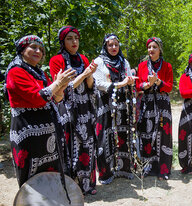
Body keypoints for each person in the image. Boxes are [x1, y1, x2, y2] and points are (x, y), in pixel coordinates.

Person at [5, 35, 75, 186]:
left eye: (41, 50)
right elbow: (38, 98)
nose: (38, 51)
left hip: (48, 135)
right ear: (22, 50)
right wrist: (57, 83)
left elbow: (55, 99)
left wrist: (61, 87)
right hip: (29, 135)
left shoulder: (40, 73)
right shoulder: (15, 72)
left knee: (51, 172)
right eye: (33, 47)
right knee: (32, 173)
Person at [49, 26, 98, 195]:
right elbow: (62, 88)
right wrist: (84, 74)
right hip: (68, 108)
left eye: (76, 38)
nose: (74, 42)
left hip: (85, 108)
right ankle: (73, 187)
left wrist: (90, 74)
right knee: (71, 146)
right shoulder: (56, 61)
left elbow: (91, 87)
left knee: (88, 145)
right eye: (69, 38)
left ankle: (88, 184)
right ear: (63, 41)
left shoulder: (83, 58)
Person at [93, 33, 136, 184]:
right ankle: (106, 172)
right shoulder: (98, 62)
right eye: (110, 45)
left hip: (123, 104)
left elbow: (129, 78)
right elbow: (97, 83)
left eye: (116, 45)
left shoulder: (124, 62)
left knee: (123, 134)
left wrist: (130, 82)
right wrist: (120, 84)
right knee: (105, 136)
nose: (113, 47)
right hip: (105, 104)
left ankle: (124, 168)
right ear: (105, 46)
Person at [136, 37, 173, 180]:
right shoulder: (142, 66)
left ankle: (163, 170)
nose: (151, 50)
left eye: (154, 47)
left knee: (163, 135)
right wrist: (146, 85)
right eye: (149, 47)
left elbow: (169, 86)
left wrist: (157, 81)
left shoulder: (167, 66)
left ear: (160, 49)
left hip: (162, 104)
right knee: (146, 134)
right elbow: (138, 84)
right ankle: (147, 168)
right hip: (147, 103)